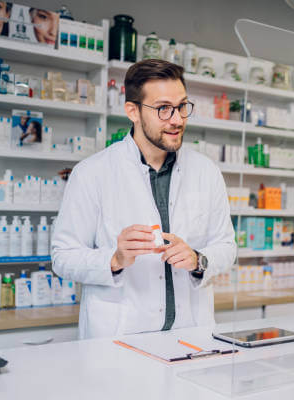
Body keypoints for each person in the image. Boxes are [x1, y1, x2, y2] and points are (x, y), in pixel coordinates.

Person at [52, 59, 236, 340]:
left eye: (182, 106)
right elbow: (63, 257)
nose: (177, 119)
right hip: (120, 338)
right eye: (163, 109)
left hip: (192, 336)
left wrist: (199, 259)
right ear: (133, 111)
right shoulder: (92, 173)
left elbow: (226, 246)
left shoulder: (206, 172)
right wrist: (114, 259)